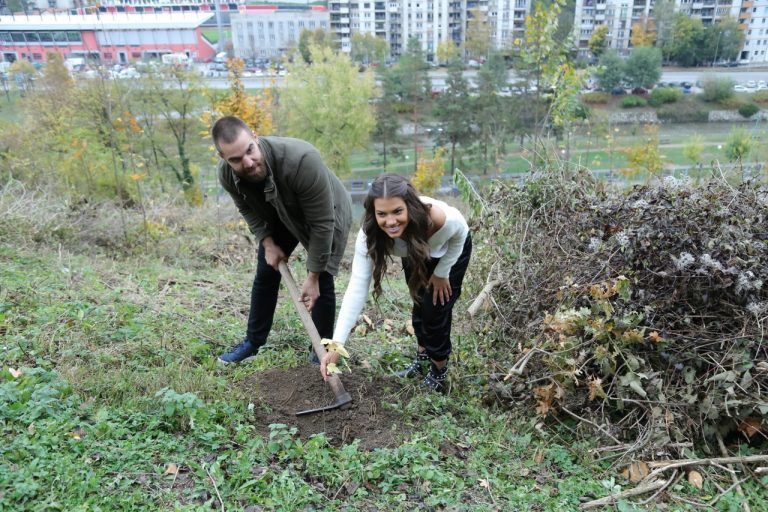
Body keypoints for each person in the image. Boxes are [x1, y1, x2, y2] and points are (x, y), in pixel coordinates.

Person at [211, 116, 352, 364]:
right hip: (278, 211)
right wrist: (267, 242)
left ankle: (321, 352)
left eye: (250, 151)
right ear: (224, 158)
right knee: (266, 273)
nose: (248, 162)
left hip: (325, 212)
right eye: (235, 159)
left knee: (323, 281)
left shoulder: (301, 159)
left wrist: (313, 276)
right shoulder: (226, 174)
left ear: (255, 136)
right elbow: (247, 209)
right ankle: (252, 343)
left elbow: (322, 223)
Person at [321, 173, 471, 391]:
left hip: (450, 252)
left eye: (397, 211)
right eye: (382, 213)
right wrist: (336, 346)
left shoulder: (437, 219)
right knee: (419, 301)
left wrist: (442, 272)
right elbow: (356, 288)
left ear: (409, 206)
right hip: (416, 249)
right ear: (373, 213)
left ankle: (439, 371)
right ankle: (422, 359)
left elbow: (461, 232)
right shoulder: (369, 235)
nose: (390, 221)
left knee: (434, 311)